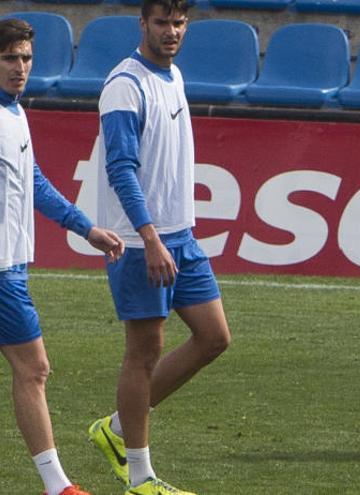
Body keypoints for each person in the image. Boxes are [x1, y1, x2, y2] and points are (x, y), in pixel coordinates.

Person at [87, 1, 231, 494]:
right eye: (162, 23)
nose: (171, 32)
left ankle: (118, 429)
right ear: (142, 24)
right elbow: (120, 167)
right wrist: (148, 238)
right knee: (143, 354)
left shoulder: (174, 76)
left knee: (214, 337)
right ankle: (141, 478)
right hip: (137, 241)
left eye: (179, 23)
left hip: (180, 237)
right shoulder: (124, 85)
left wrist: (170, 235)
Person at [0, 18, 125, 495]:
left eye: (26, 58)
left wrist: (86, 227)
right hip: (2, 272)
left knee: (31, 370)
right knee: (34, 369)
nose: (21, 67)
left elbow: (34, 183)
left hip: (11, 265)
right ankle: (58, 487)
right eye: (10, 57)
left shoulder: (15, 113)